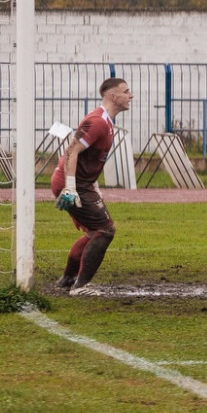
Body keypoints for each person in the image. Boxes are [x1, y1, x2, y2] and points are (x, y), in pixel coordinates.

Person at [50, 77, 133, 295]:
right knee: (105, 230)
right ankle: (81, 286)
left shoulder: (106, 122)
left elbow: (89, 159)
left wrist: (93, 186)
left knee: (93, 233)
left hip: (81, 183)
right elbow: (71, 151)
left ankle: (67, 279)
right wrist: (70, 187)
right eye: (126, 91)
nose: (130, 95)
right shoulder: (97, 121)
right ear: (113, 96)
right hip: (72, 183)